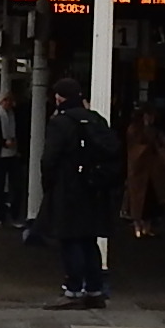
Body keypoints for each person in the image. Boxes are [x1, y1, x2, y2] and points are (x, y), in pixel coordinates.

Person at [38, 76, 121, 310]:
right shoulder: (97, 120)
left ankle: (73, 290)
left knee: (69, 239)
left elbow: (49, 159)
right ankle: (95, 290)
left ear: (59, 97)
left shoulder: (60, 123)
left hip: (69, 189)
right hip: (94, 189)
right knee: (89, 240)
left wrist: (49, 186)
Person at [120, 103, 165, 239]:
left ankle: (146, 226)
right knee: (138, 200)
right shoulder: (135, 130)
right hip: (141, 170)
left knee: (150, 201)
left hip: (152, 172)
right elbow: (137, 146)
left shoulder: (153, 131)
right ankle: (138, 225)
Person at [0, 84, 25, 226]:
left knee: (17, 187)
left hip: (14, 155)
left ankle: (14, 215)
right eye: (5, 100)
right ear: (1, 102)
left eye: (10, 100)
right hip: (0, 156)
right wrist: (4, 142)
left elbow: (22, 132)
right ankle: (0, 217)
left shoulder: (16, 116)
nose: (8, 103)